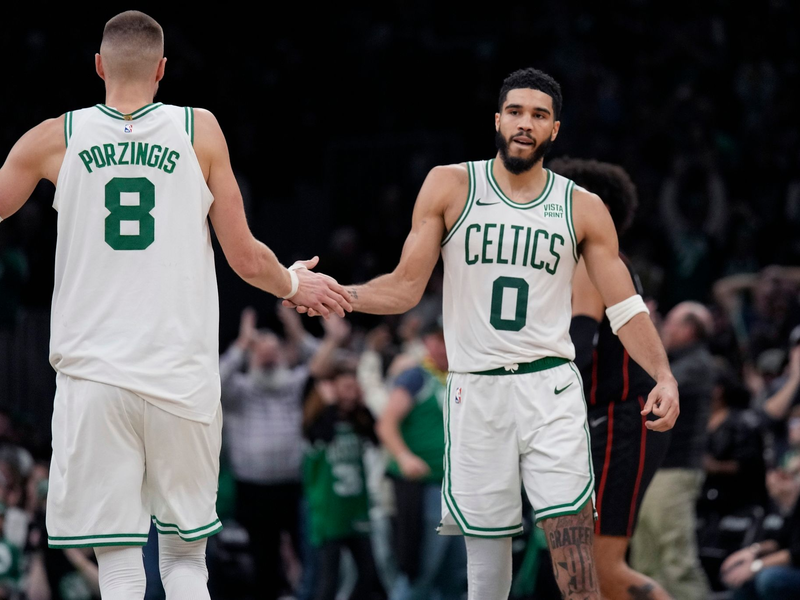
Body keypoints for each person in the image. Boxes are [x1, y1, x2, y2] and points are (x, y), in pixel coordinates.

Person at [286, 67, 680, 600]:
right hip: (475, 390)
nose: (525, 123)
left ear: (554, 130)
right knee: (487, 565)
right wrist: (341, 294)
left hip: (550, 388)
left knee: (572, 548)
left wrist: (663, 373)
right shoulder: (451, 184)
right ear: (497, 119)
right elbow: (406, 287)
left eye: (539, 115)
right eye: (516, 112)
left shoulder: (583, 207)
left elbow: (625, 307)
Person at [0, 10, 350, 600]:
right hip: (180, 376)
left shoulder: (54, 137)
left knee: (117, 564)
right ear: (163, 70)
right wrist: (294, 285)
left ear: (98, 66)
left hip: (95, 378)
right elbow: (244, 258)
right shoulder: (199, 130)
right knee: (186, 560)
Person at [547, 157, 673, 600]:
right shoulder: (597, 263)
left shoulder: (590, 262)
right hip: (612, 420)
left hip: (625, 420)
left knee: (603, 567)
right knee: (581, 567)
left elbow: (578, 349)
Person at [376, 317, 467, 600]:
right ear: (427, 342)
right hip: (424, 488)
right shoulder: (416, 377)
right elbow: (386, 423)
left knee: (455, 575)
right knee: (419, 572)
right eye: (438, 339)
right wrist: (404, 457)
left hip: (456, 490)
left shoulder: (461, 378)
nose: (444, 346)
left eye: (448, 338)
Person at [630, 301, 715, 600]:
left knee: (677, 562)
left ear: (689, 330)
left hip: (675, 472)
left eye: (670, 324)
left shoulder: (697, 363)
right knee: (645, 563)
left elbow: (654, 386)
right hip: (655, 470)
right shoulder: (680, 361)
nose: (664, 328)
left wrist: (643, 329)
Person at [303, 365, 386, 600]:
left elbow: (376, 437)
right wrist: (329, 404)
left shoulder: (359, 419)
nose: (351, 392)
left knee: (368, 573)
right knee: (328, 579)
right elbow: (322, 437)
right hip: (329, 513)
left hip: (357, 509)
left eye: (354, 387)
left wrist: (360, 401)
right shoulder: (317, 421)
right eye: (345, 387)